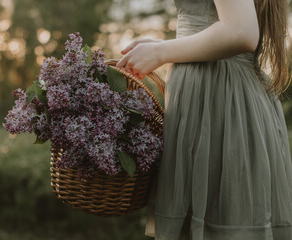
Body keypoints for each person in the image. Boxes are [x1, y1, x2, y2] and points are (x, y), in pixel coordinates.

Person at [116, 0, 292, 239]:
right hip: (222, 95)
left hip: (220, 101)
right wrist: (166, 45)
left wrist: (160, 52)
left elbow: (240, 30)